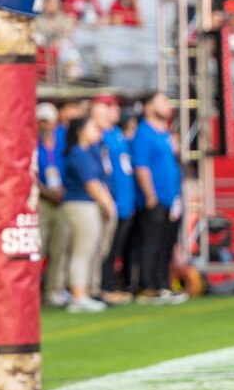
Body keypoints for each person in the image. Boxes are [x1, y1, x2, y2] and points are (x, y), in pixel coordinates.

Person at [130, 91, 187, 305]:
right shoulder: (144, 133)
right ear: (148, 107)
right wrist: (150, 194)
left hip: (172, 198)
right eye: (162, 101)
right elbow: (142, 166)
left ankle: (163, 284)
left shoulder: (165, 133)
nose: (167, 106)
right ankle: (148, 286)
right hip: (157, 197)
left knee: (166, 242)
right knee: (151, 242)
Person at [59, 112, 115, 313]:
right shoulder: (78, 153)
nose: (96, 131)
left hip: (86, 205)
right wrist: (107, 204)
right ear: (81, 131)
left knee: (87, 251)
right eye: (92, 127)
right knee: (82, 251)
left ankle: (83, 293)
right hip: (80, 205)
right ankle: (78, 295)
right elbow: (91, 184)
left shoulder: (87, 151)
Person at [98, 94, 138, 302]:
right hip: (113, 200)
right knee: (107, 248)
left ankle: (112, 284)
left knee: (117, 248)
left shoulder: (117, 134)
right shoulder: (102, 136)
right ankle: (104, 286)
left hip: (125, 199)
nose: (114, 111)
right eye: (109, 106)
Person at [35, 102, 70, 307]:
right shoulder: (30, 141)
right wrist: (45, 191)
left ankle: (54, 290)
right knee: (38, 247)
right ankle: (31, 292)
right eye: (41, 121)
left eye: (48, 121)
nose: (45, 125)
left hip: (62, 198)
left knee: (60, 247)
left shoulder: (63, 140)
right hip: (42, 199)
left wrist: (64, 189)